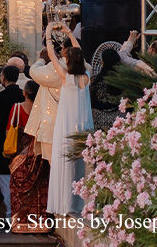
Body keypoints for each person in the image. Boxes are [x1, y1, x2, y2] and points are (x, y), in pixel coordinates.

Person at [45, 22, 93, 219]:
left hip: (66, 126)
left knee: (65, 165)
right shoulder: (87, 77)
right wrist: (69, 34)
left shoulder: (66, 77)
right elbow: (80, 53)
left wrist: (48, 34)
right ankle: (79, 204)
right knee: (81, 166)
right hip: (83, 125)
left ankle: (65, 205)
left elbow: (50, 54)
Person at [8, 81, 48, 233]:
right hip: (38, 155)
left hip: (19, 156)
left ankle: (20, 224)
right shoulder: (44, 110)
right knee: (39, 189)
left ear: (24, 93)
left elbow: (9, 132)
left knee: (18, 188)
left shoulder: (17, 108)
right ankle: (40, 224)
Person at [0, 65, 24, 216]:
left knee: (4, 176)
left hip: (4, 140)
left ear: (4, 78)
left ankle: (10, 212)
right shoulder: (23, 95)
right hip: (22, 140)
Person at [24, 48, 62, 162]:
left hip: (51, 126)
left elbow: (34, 71)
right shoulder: (83, 69)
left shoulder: (56, 70)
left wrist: (42, 59)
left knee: (55, 166)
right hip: (70, 124)